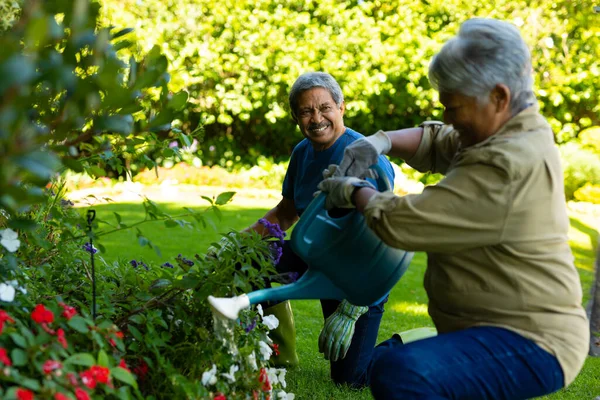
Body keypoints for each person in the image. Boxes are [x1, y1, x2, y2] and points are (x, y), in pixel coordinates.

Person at [317, 18, 589, 400]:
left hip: (534, 339)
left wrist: (354, 191)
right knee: (399, 365)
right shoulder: (510, 128)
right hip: (494, 328)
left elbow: (406, 222)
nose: (448, 117)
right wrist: (380, 142)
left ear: (498, 96)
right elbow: (441, 140)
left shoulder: (509, 163)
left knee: (402, 373)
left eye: (455, 107)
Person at [239, 72, 396, 387]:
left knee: (350, 379)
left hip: (360, 277)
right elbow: (284, 213)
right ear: (296, 118)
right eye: (306, 111)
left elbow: (387, 239)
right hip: (317, 258)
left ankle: (411, 345)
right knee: (251, 261)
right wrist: (235, 245)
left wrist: (352, 308)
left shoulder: (366, 158)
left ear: (341, 107)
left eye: (324, 108)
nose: (316, 118)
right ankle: (277, 352)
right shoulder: (302, 152)